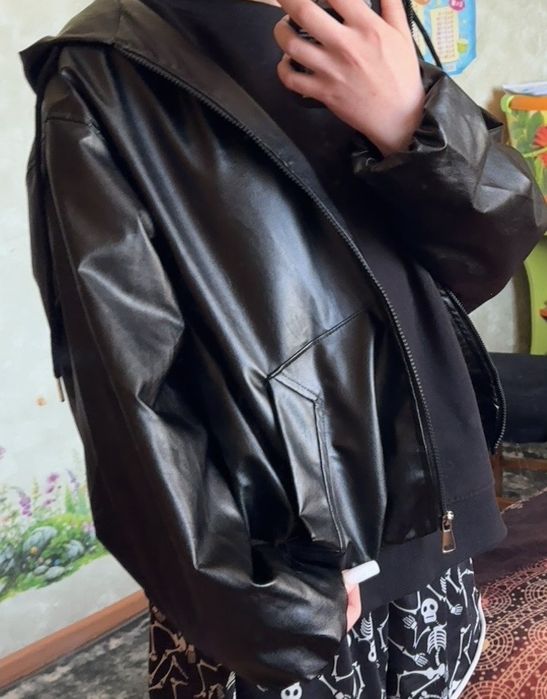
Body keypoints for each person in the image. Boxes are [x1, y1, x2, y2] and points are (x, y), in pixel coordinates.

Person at [18, 0, 545, 696]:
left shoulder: (358, 22)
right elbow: (127, 389)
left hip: (431, 509)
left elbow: (489, 251)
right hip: (291, 552)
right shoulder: (105, 72)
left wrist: (408, 122)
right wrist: (263, 600)